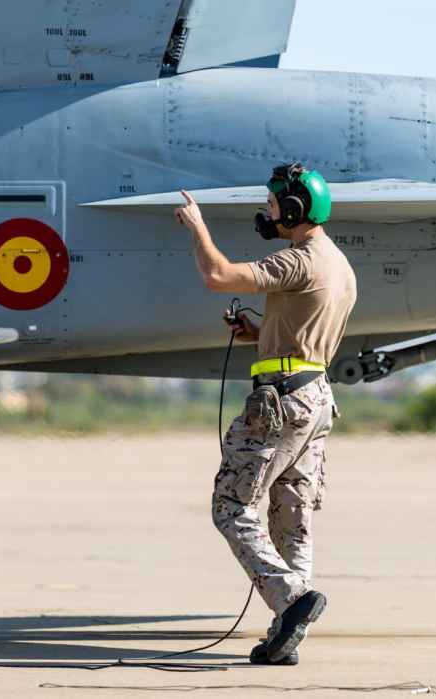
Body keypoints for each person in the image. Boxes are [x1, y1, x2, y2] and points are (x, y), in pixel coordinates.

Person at [174, 163, 357, 665]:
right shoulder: (339, 265)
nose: (270, 210)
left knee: (231, 507)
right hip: (315, 398)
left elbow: (218, 275)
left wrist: (197, 226)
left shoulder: (299, 259)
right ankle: (287, 634)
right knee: (292, 517)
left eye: (276, 203)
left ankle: (291, 601)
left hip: (282, 403)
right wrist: (258, 332)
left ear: (296, 209)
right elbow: (307, 336)